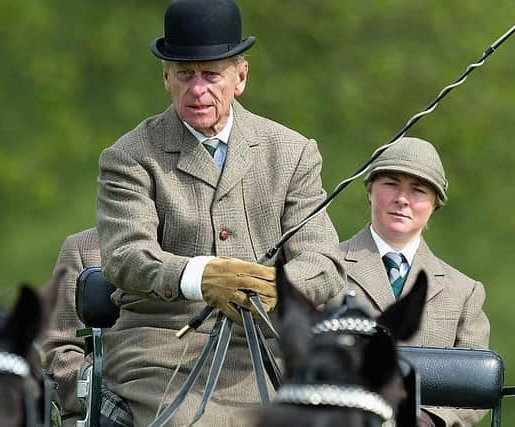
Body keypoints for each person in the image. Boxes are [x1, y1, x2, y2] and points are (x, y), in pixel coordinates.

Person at [95, 0, 344, 425]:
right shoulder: (130, 157)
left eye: (212, 75)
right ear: (166, 79)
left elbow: (325, 266)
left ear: (240, 77)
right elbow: (126, 257)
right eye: (185, 75)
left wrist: (276, 286)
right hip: (163, 349)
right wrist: (200, 277)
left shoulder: (293, 153)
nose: (198, 90)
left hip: (273, 348)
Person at [336, 136, 490, 427]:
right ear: (369, 191)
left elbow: (475, 387)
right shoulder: (326, 267)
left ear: (435, 205)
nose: (402, 199)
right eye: (391, 184)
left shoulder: (464, 292)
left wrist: (432, 419)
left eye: (418, 190)